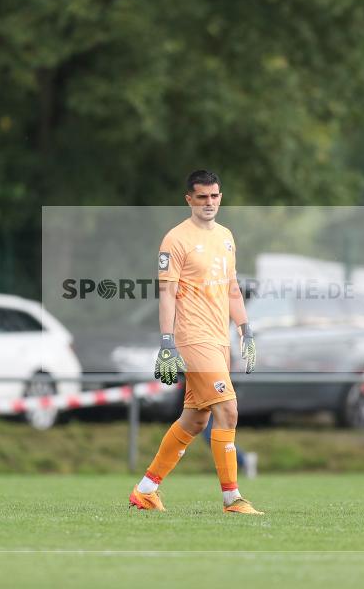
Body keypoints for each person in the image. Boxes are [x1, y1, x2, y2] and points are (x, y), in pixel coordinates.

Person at [130, 169, 262, 515]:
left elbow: (231, 287)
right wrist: (167, 341)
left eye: (215, 196)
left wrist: (245, 329)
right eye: (202, 196)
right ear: (189, 199)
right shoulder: (176, 239)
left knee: (195, 421)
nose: (209, 203)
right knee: (228, 410)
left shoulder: (226, 237)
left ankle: (145, 490)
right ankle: (232, 498)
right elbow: (167, 293)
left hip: (219, 338)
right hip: (193, 338)